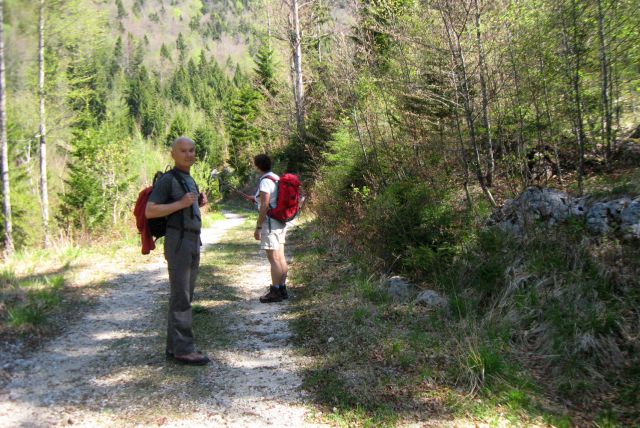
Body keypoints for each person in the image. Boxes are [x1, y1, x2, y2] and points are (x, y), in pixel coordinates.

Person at [145, 137, 210, 365]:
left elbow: (184, 205)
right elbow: (150, 211)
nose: (189, 155)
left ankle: (174, 347)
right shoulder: (167, 180)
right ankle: (184, 350)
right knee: (182, 296)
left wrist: (196, 203)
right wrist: (181, 204)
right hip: (179, 241)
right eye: (183, 151)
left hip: (192, 240)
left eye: (192, 150)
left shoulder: (188, 178)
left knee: (184, 295)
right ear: (173, 153)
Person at [252, 154, 289, 303]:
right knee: (280, 257)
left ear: (257, 166)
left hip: (271, 223)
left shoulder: (265, 181)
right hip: (280, 221)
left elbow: (265, 205)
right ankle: (282, 289)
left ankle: (275, 292)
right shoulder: (275, 177)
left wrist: (258, 226)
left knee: (274, 259)